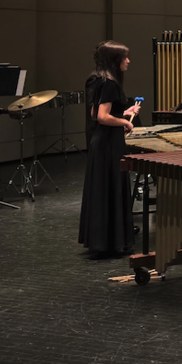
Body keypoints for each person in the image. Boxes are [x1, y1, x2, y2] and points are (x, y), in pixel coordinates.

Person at [79, 41, 141, 257]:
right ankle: (111, 242)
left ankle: (104, 241)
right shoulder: (110, 84)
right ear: (116, 60)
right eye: (125, 57)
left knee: (104, 189)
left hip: (101, 142)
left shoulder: (101, 81)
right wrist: (125, 123)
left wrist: (123, 112)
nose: (128, 61)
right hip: (108, 143)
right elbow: (103, 117)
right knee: (112, 187)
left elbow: (94, 114)